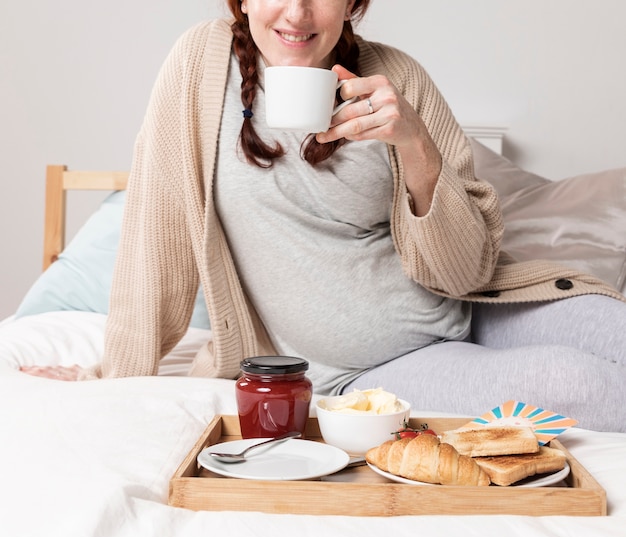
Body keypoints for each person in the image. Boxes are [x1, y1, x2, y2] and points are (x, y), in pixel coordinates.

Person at [21, 0, 626, 431]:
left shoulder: (399, 76)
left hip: (474, 308)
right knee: (578, 386)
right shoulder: (198, 66)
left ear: (353, 3)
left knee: (611, 327)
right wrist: (118, 379)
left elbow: (465, 273)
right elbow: (157, 236)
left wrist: (413, 142)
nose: (297, 13)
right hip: (363, 369)